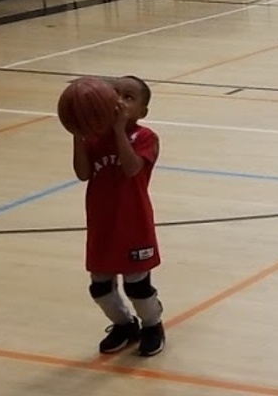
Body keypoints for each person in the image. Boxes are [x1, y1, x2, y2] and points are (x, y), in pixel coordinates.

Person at [70, 75, 166, 357]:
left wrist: (119, 130)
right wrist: (78, 134)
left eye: (129, 97)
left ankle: (152, 325)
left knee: (137, 286)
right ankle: (125, 325)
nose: (120, 101)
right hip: (101, 223)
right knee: (100, 287)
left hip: (134, 223)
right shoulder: (95, 137)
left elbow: (130, 168)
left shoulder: (145, 136)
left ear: (143, 111)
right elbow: (82, 173)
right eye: (116, 95)